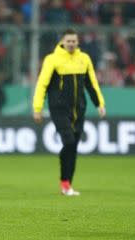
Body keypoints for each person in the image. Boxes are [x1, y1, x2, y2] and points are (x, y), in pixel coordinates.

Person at [33, 29, 106, 196]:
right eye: (68, 41)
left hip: (79, 109)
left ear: (78, 42)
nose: (71, 44)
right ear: (63, 42)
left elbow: (91, 84)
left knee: (73, 146)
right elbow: (42, 84)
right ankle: (65, 182)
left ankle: (67, 184)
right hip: (59, 109)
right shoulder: (52, 60)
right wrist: (37, 108)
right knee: (69, 141)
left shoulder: (84, 59)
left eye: (74, 41)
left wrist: (99, 104)